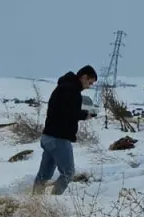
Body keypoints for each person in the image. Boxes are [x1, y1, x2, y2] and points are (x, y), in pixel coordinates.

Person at [34, 65, 98, 196]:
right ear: (84, 77)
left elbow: (60, 111)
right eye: (90, 82)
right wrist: (84, 115)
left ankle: (35, 200)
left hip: (47, 137)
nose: (89, 86)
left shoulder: (62, 87)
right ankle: (54, 199)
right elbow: (69, 113)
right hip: (59, 138)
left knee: (44, 174)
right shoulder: (73, 91)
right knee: (68, 173)